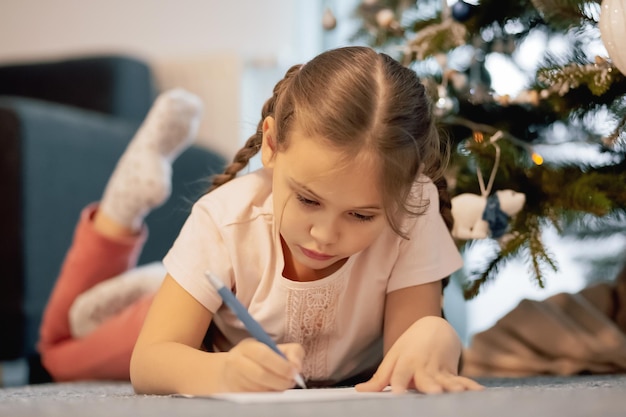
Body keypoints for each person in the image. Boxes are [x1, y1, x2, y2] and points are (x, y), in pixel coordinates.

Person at [40, 46, 483, 395]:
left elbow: (404, 358)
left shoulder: (412, 205)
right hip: (205, 318)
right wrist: (222, 371)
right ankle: (119, 217)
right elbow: (149, 361)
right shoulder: (222, 221)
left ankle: (156, 275)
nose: (326, 236)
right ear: (271, 145)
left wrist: (434, 335)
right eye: (308, 200)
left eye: (362, 215)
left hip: (221, 285)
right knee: (58, 355)